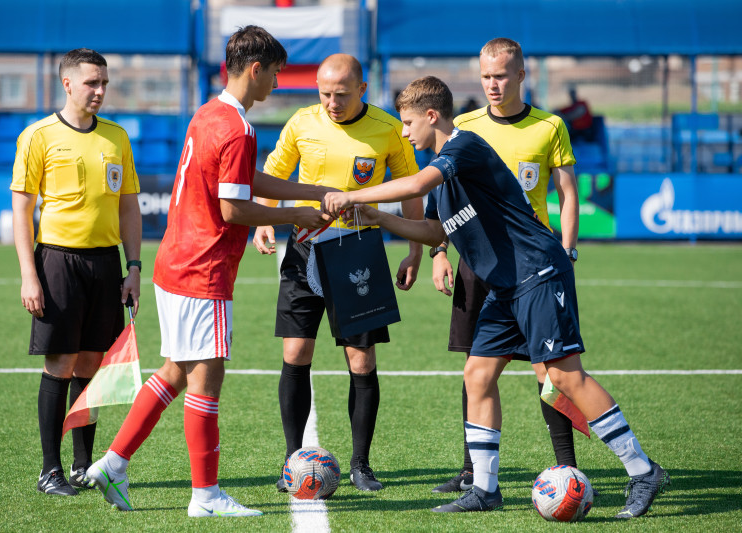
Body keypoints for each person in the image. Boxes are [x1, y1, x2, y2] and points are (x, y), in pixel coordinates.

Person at [322, 75, 670, 518]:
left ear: (432, 116)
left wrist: (350, 196)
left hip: (538, 271)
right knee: (478, 375)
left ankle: (643, 471)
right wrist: (376, 216)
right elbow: (433, 230)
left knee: (565, 377)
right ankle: (485, 490)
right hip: (505, 286)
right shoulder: (441, 174)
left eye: (408, 123)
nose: (404, 133)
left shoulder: (463, 146)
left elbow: (414, 185)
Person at [85, 25, 333, 517]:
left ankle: (113, 462)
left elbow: (242, 181)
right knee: (206, 379)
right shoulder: (238, 128)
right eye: (275, 73)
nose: (277, 83)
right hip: (204, 270)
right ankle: (206, 495)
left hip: (174, 263)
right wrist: (296, 215)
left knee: (175, 371)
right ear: (255, 69)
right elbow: (233, 208)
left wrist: (307, 191)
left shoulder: (208, 113)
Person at [252, 53, 423, 492]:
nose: (332, 102)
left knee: (361, 360)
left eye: (342, 94)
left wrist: (415, 251)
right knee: (295, 354)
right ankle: (292, 460)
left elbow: (411, 191)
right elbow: (272, 173)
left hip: (358, 253)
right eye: (325, 93)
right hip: (304, 248)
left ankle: (361, 464)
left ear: (362, 89)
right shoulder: (301, 122)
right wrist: (265, 219)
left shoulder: (389, 129)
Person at [430, 37, 582, 494]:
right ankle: (471, 473)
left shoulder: (550, 126)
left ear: (520, 75)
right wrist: (439, 252)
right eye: (485, 77)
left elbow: (567, 193)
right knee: (475, 367)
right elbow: (445, 194)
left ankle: (567, 468)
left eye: (500, 76)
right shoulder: (464, 126)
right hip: (478, 260)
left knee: (549, 371)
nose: (492, 85)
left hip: (532, 265)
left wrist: (568, 250)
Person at [11, 48, 142, 497]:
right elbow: (22, 209)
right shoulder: (38, 136)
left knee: (91, 365)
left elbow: (128, 207)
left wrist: (134, 267)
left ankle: (83, 464)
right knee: (61, 363)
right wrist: (29, 274)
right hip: (57, 262)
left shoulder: (117, 137)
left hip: (105, 263)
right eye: (91, 82)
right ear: (67, 84)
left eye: (104, 82)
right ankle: (50, 471)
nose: (99, 90)